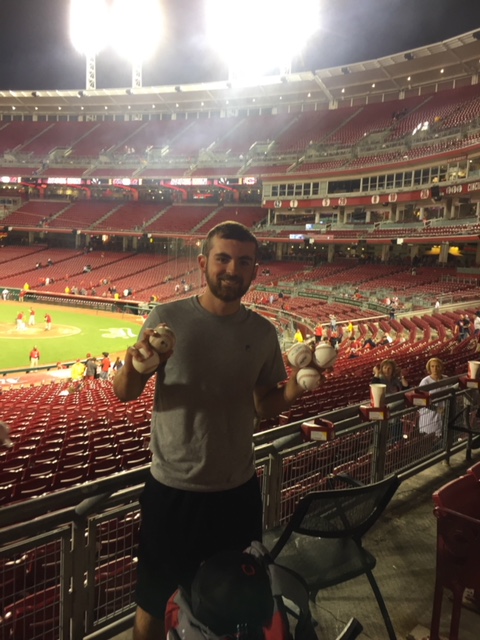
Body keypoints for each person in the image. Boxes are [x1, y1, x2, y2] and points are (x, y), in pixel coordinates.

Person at [113, 221, 321, 640]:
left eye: (243, 262)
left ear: (254, 269)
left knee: (236, 608)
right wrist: (135, 363)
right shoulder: (166, 318)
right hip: (173, 490)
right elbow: (125, 392)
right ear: (203, 262)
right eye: (223, 259)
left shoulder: (262, 332)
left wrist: (297, 387)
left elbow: (263, 405)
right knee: (153, 604)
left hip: (237, 492)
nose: (232, 269)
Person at [418, 358, 448, 437]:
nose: (435, 369)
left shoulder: (446, 379)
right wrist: (436, 409)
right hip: (429, 415)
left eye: (437, 366)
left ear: (441, 367)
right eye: (432, 366)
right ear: (429, 368)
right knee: (430, 437)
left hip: (444, 414)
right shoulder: (425, 381)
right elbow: (420, 400)